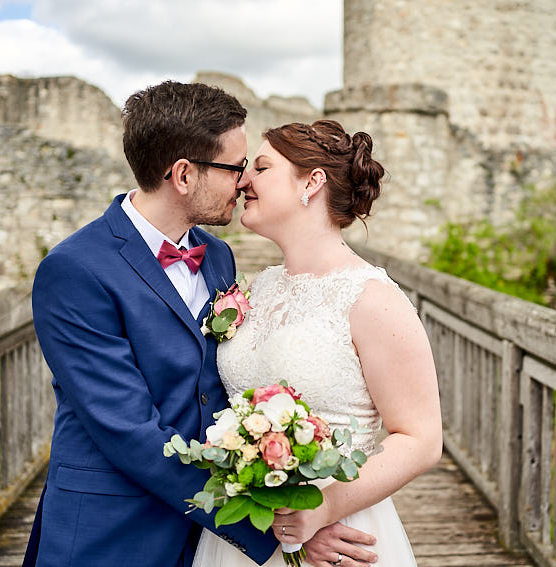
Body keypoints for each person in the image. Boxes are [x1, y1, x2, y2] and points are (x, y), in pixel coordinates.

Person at [23, 83, 376, 566]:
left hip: (206, 537)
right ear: (184, 175)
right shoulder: (75, 270)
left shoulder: (218, 257)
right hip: (112, 533)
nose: (245, 181)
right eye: (235, 167)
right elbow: (128, 431)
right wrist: (277, 530)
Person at [191, 120, 443, 567]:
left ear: (312, 181)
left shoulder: (372, 298)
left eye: (262, 168)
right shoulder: (257, 289)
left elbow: (421, 439)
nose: (243, 180)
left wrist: (321, 509)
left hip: (339, 533)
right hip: (249, 530)